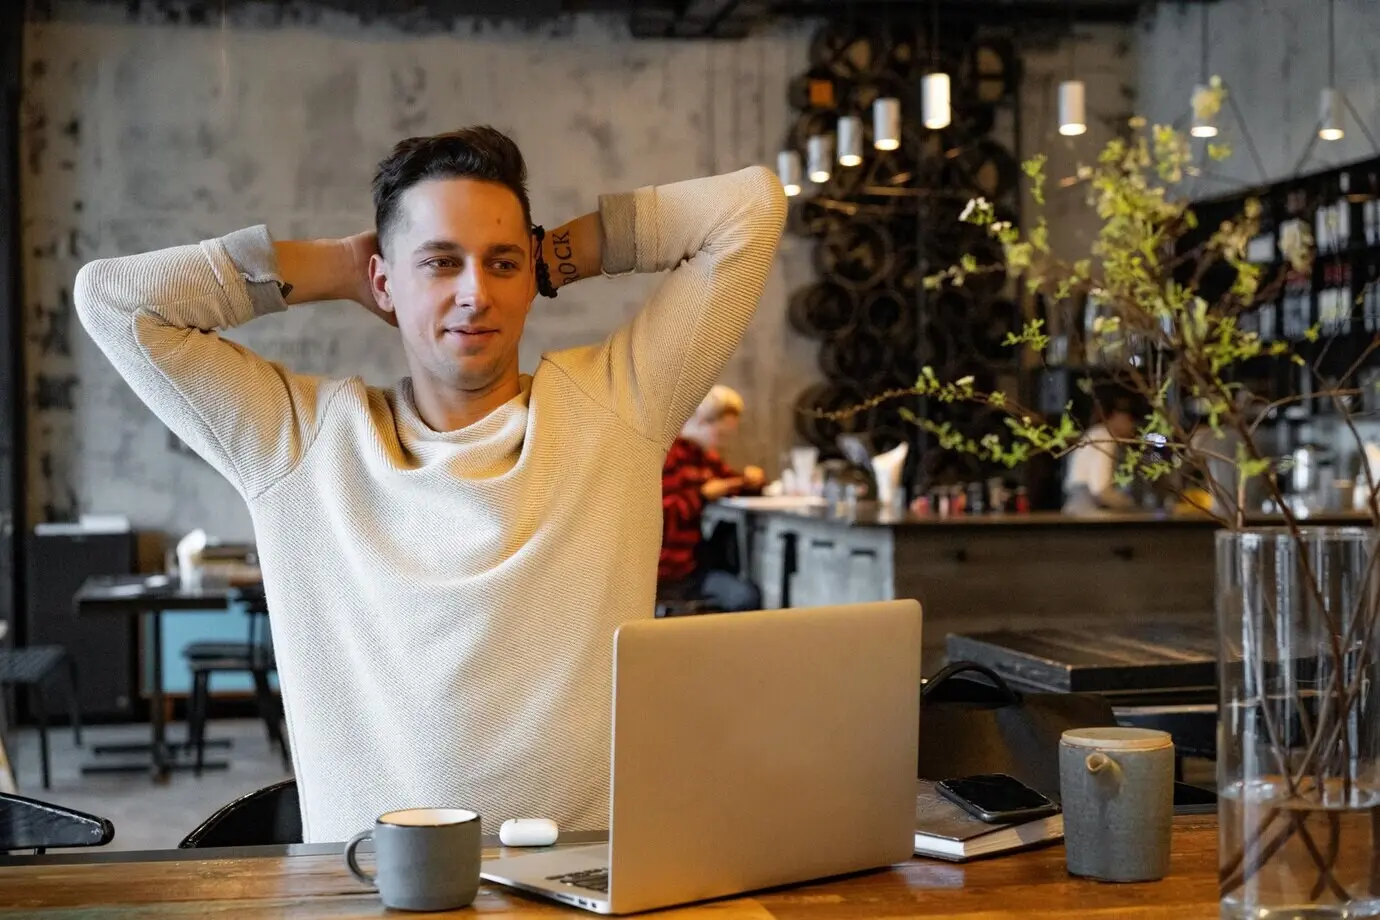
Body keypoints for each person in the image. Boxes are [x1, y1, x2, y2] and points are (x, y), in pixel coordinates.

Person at [75, 126, 786, 843]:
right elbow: (113, 298)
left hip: (575, 885)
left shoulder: (616, 409)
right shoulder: (302, 442)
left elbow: (750, 209)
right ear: (386, 281)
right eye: (440, 263)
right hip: (364, 887)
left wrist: (558, 255)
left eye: (501, 264)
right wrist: (335, 267)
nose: (475, 292)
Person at [658, 385, 764, 612]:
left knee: (745, 593)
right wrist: (701, 496)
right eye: (721, 434)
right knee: (744, 597)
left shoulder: (704, 458)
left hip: (689, 568)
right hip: (665, 572)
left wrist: (752, 481)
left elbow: (729, 482)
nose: (723, 443)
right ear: (702, 421)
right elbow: (660, 517)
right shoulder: (669, 456)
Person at [1062, 396, 1139, 514]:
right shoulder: (1105, 438)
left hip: (1075, 504)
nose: (1132, 426)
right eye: (1130, 419)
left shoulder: (1095, 433)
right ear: (1115, 416)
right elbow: (1099, 489)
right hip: (1087, 508)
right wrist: (1128, 504)